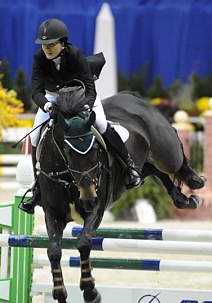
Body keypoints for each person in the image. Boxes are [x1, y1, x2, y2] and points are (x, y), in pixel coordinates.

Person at [19, 18, 142, 214]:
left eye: (51, 44)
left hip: (81, 94)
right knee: (34, 137)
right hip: (53, 98)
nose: (47, 49)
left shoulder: (75, 55)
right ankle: (38, 189)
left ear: (62, 43)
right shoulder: (39, 59)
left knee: (101, 124)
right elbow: (36, 91)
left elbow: (91, 88)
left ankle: (129, 167)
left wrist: (85, 107)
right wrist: (48, 106)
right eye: (44, 45)